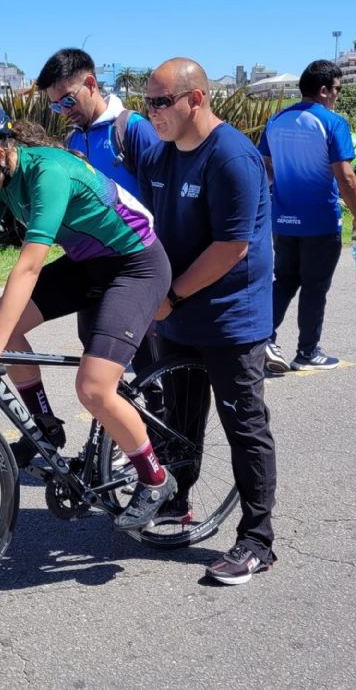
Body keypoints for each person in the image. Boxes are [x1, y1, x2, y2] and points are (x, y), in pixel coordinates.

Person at [0, 95, 177, 530]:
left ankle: (155, 479)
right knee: (0, 324)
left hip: (135, 266)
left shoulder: (48, 172)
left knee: (94, 388)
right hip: (89, 264)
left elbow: (28, 267)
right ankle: (46, 426)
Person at [138, 58, 277, 585]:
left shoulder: (232, 156)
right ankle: (178, 500)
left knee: (244, 426)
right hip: (176, 314)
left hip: (231, 317)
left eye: (160, 102)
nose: (151, 113)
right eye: (146, 102)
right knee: (180, 419)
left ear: (195, 99)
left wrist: (172, 295)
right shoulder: (160, 153)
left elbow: (231, 246)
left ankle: (257, 540)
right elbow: (148, 228)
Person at [36, 48, 160, 377]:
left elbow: (162, 201)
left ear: (91, 84)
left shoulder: (133, 129)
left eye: (67, 100)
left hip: (136, 263)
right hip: (92, 264)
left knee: (147, 363)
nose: (63, 111)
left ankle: (156, 408)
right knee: (96, 355)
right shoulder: (73, 139)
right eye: (55, 106)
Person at [258, 60, 356, 373]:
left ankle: (262, 339)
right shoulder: (332, 123)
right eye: (337, 90)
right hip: (320, 222)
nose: (337, 97)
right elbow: (345, 176)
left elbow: (265, 169)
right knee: (314, 286)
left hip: (283, 220)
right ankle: (307, 352)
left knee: (285, 280)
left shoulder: (276, 120)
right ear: (323, 91)